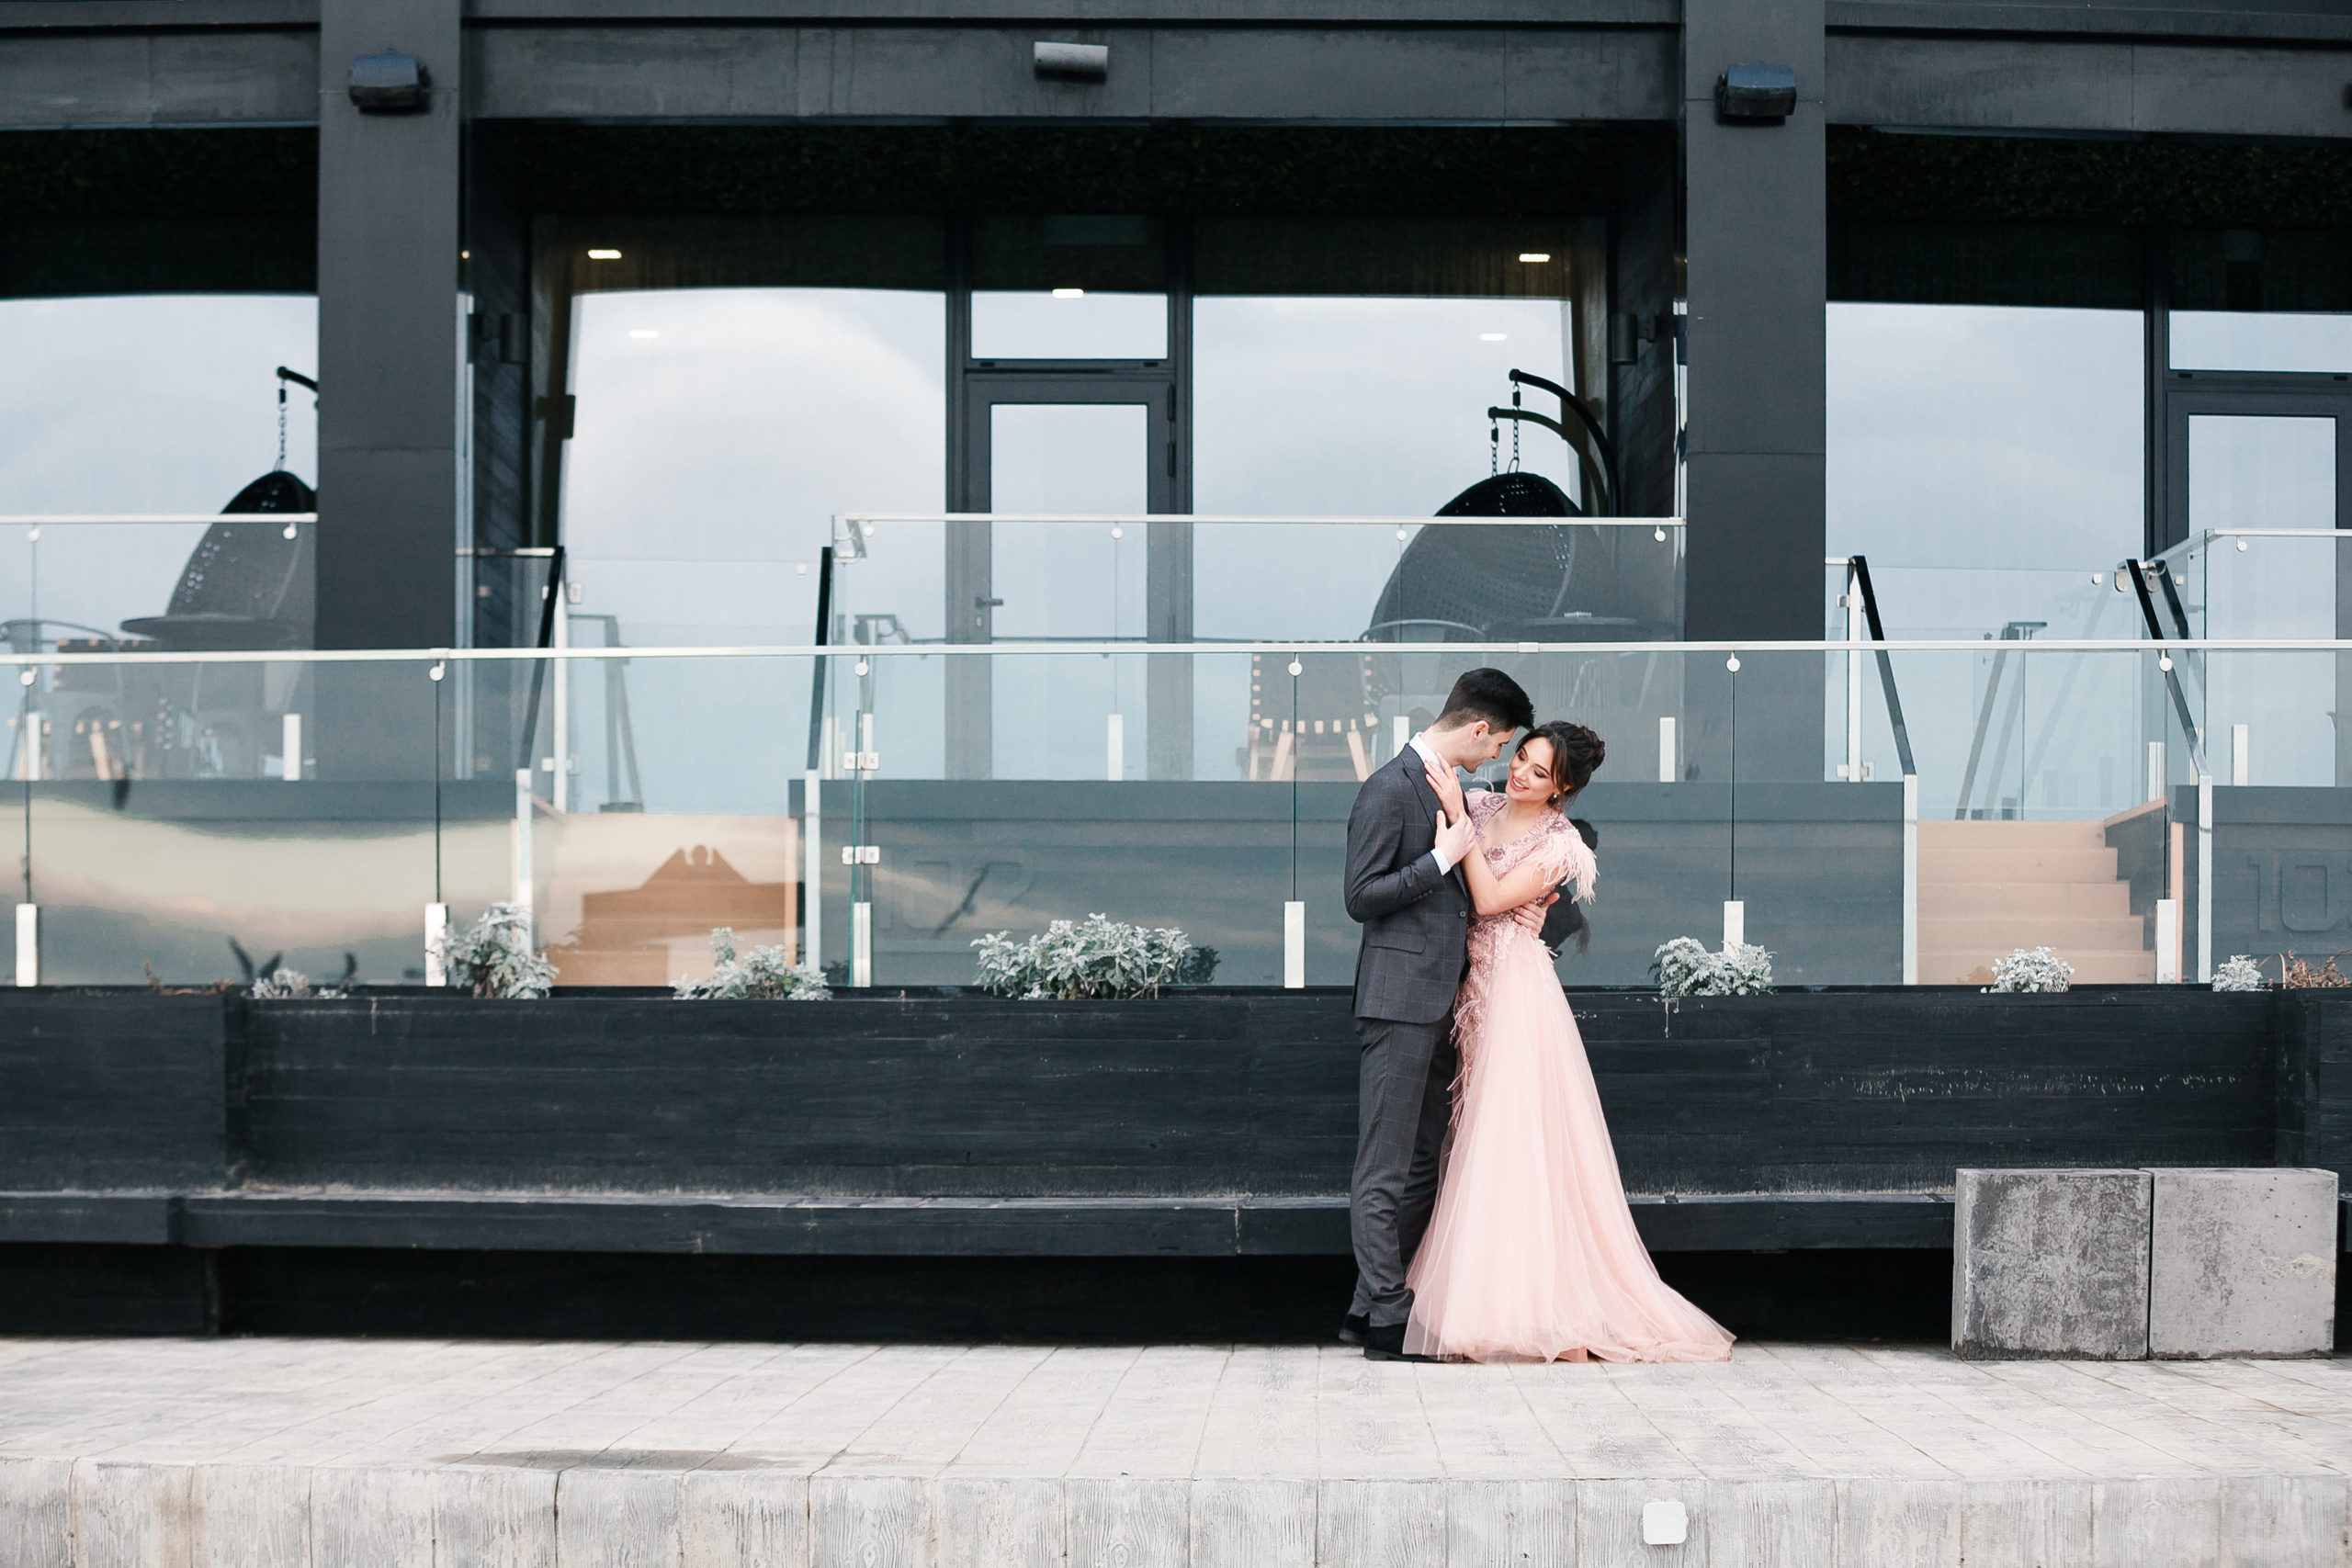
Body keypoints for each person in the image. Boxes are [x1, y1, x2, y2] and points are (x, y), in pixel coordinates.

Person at [1405, 719, 1734, 1363]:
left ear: (1560, 790)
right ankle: (1493, 1299)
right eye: (1521, 757)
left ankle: (1532, 1311)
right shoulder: (1482, 804)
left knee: (1511, 1141)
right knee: (1474, 1141)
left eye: (1539, 772)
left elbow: (1489, 897)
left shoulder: (1561, 845)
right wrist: (1460, 810)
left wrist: (1459, 826)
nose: (1520, 774)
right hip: (1466, 989)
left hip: (1514, 995)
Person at [1340, 668, 1549, 1361]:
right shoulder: (1387, 788)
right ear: (1480, 729)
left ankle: (1368, 1304)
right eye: (1502, 745)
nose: (1499, 758)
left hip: (1443, 1004)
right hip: (1398, 1003)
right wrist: (1440, 858)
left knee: (1424, 1162)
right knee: (1385, 1167)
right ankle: (1389, 1318)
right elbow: (1360, 896)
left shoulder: (1459, 792)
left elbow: (1527, 843)